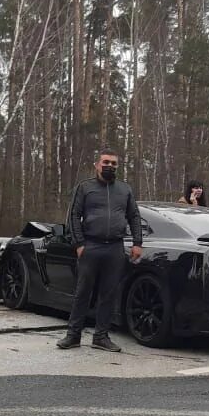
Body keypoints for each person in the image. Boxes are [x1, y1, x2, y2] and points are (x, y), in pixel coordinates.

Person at [57, 148, 143, 352]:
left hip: (115, 247)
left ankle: (101, 337)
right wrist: (79, 244)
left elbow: (135, 217)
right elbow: (73, 216)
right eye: (106, 162)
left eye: (113, 163)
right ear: (97, 164)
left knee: (109, 294)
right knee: (83, 292)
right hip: (90, 246)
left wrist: (138, 243)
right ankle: (73, 335)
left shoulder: (125, 189)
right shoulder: (85, 187)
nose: (109, 166)